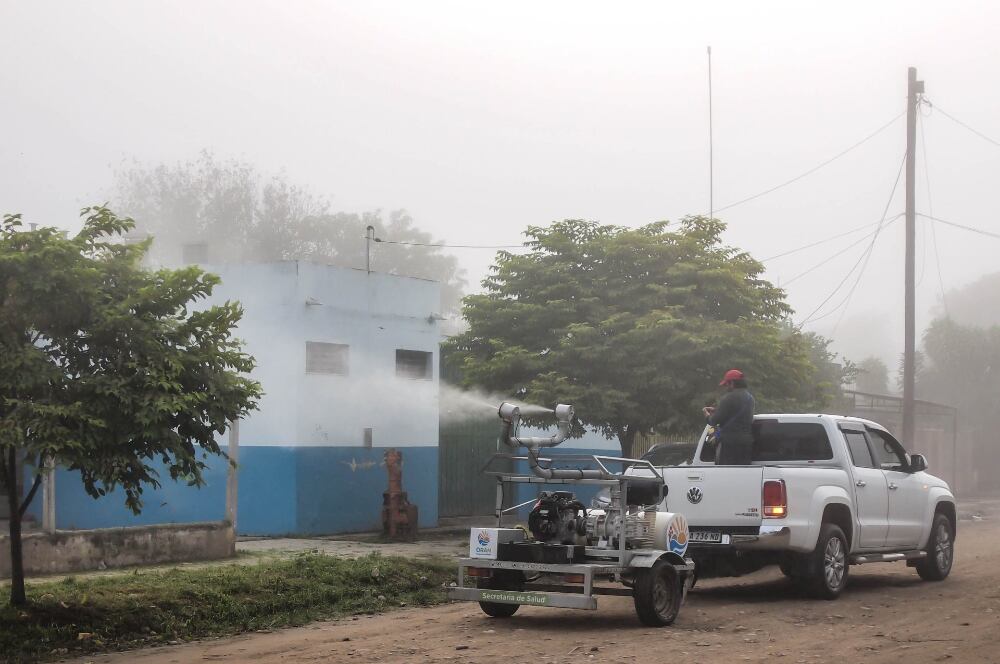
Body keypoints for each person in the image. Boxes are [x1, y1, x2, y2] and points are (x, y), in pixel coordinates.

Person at [702, 369, 755, 465]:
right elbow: (738, 415)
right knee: (743, 473)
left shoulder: (728, 398)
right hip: (746, 443)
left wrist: (707, 415)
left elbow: (714, 421)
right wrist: (718, 410)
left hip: (729, 444)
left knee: (727, 474)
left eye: (726, 384)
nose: (726, 387)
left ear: (732, 383)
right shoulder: (750, 398)